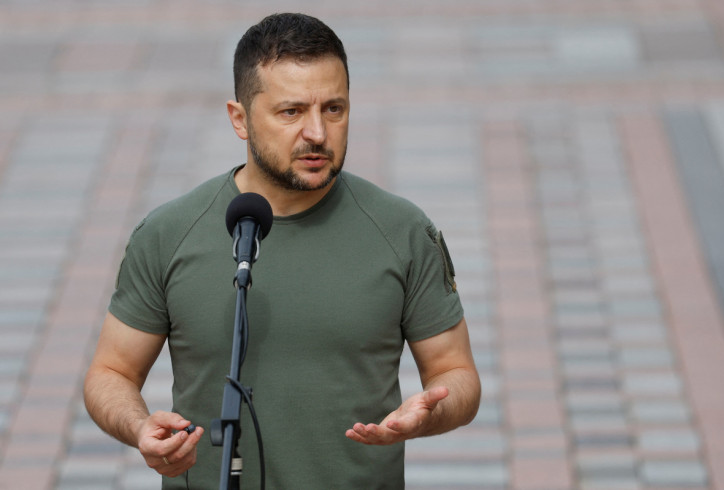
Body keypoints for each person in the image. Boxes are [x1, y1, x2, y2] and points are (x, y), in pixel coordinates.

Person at [84, 12, 481, 489]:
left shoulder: (403, 232)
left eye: (334, 109)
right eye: (291, 112)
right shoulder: (169, 234)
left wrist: (428, 416)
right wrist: (138, 427)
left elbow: (456, 374)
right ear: (240, 119)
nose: (317, 132)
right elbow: (111, 372)